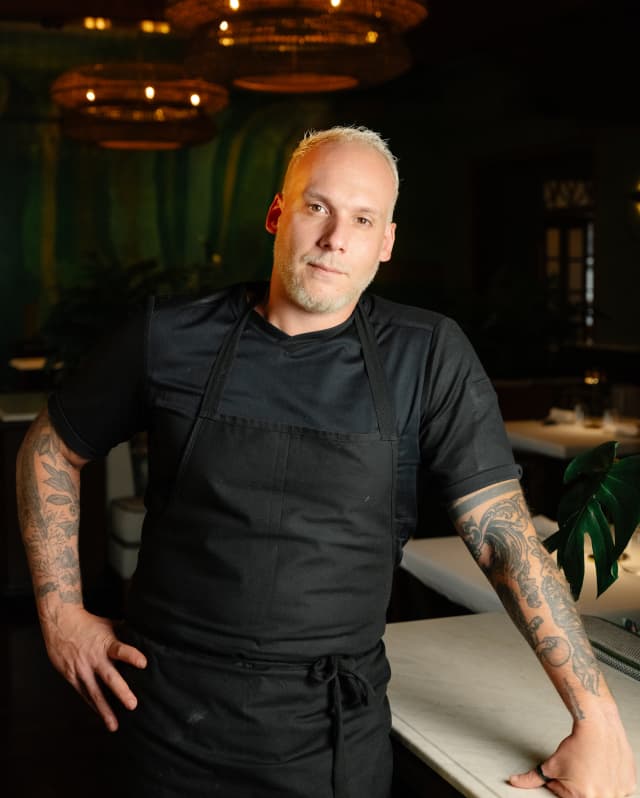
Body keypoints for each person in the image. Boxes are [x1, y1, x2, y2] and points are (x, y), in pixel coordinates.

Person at [16, 126, 635, 798]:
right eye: (318, 207)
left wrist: (596, 716)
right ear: (277, 214)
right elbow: (51, 446)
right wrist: (61, 616)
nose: (336, 237)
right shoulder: (169, 335)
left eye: (363, 219)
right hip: (165, 720)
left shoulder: (426, 356)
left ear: (386, 242)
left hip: (332, 736)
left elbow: (503, 537)